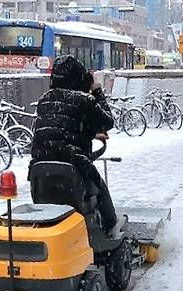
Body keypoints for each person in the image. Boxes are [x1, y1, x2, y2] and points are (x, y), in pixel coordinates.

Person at [31, 55, 124, 237]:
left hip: (40, 170)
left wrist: (89, 133)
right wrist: (97, 90)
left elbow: (59, 127)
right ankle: (111, 226)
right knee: (99, 186)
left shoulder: (45, 100)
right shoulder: (84, 100)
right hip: (73, 166)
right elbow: (107, 121)